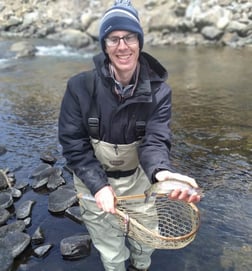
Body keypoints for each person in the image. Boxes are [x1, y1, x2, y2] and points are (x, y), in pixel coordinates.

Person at [58, 0, 201, 270]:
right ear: (104, 45)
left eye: (130, 37)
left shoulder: (160, 93)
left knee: (145, 244)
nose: (122, 46)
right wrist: (99, 186)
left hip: (139, 180)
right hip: (92, 183)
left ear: (140, 41)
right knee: (110, 251)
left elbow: (155, 141)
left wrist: (162, 173)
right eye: (113, 39)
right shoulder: (79, 87)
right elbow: (73, 144)